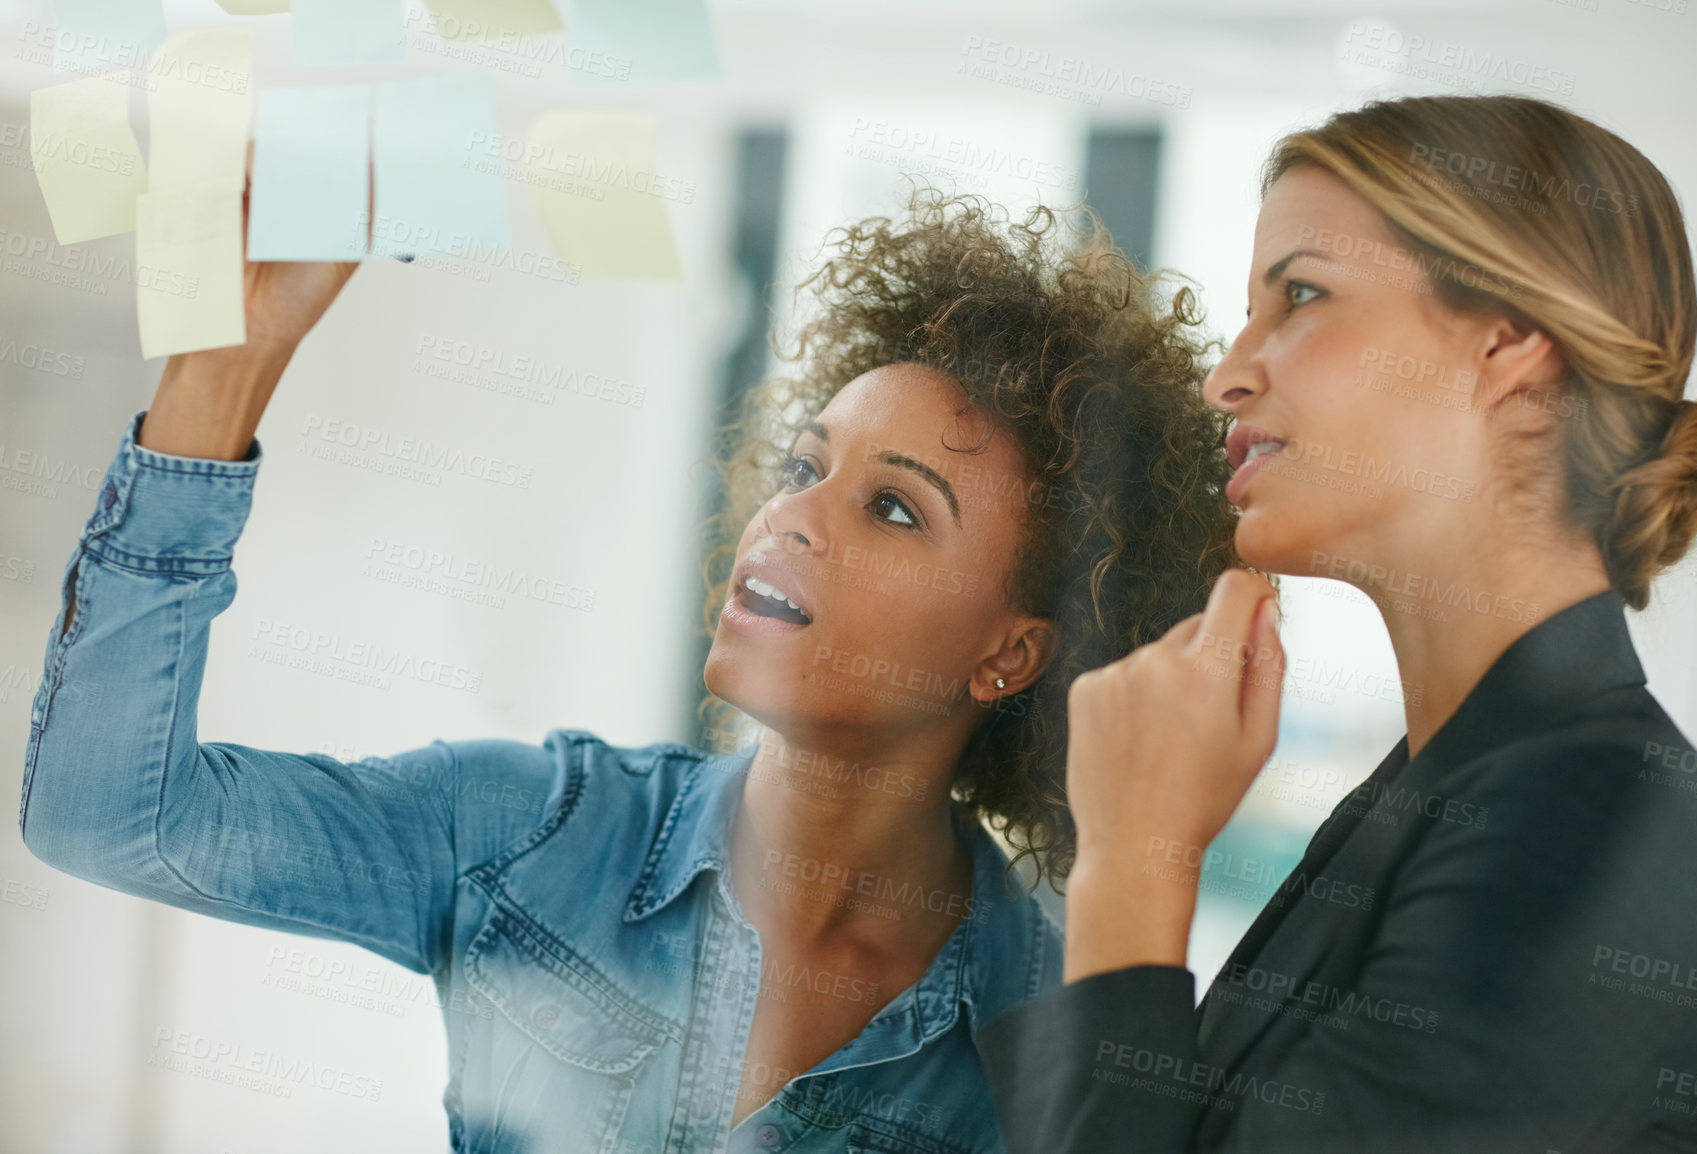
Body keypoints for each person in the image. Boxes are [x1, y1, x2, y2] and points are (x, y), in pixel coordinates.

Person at [18, 176, 1240, 1153]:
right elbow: (106, 815)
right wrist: (225, 369)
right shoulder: (534, 831)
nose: (792, 516)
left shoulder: (1041, 1019)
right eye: (807, 465)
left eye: (895, 509)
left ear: (1010, 652)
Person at [977, 94, 1697, 1153]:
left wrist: (1133, 862)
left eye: (1300, 294)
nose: (1226, 373)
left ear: (1507, 344)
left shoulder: (1587, 819)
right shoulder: (1443, 791)